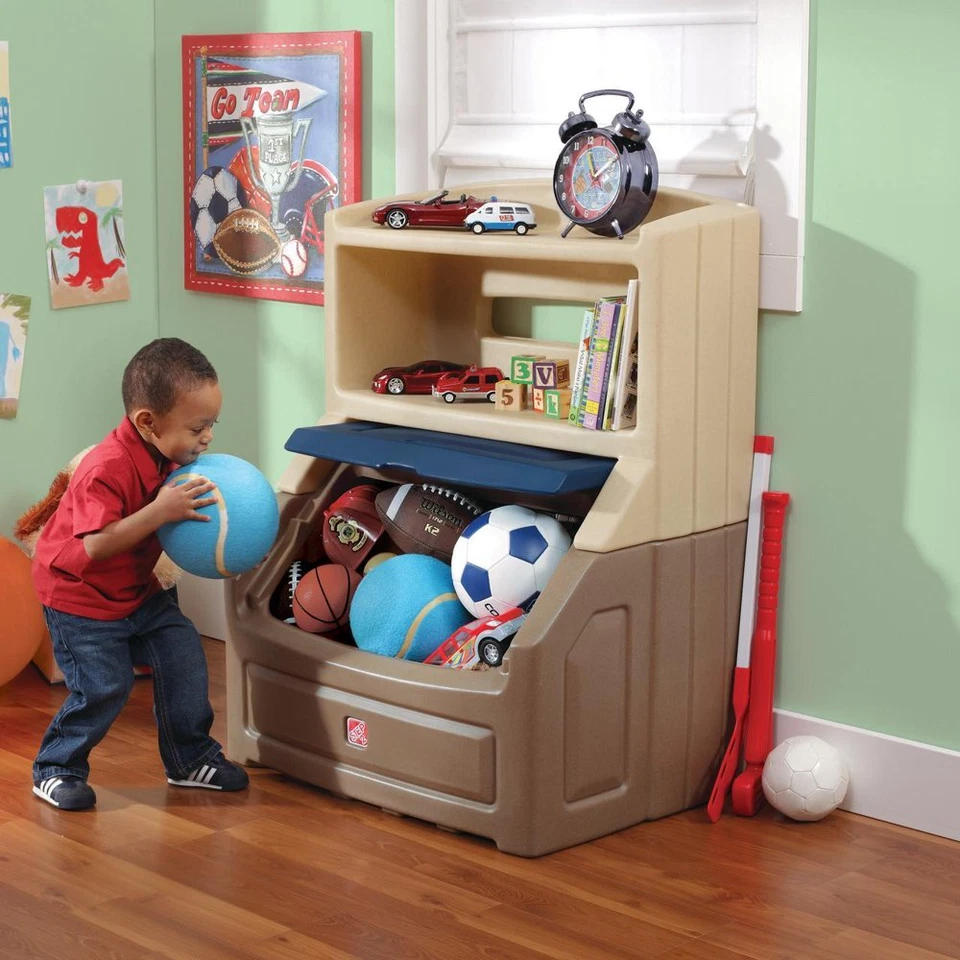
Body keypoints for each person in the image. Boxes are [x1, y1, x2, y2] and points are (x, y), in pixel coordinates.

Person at [31, 337, 249, 810]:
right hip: (79, 598)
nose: (208, 437)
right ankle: (57, 768)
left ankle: (190, 759)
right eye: (198, 427)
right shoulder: (105, 467)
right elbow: (95, 545)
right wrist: (159, 511)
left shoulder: (172, 458)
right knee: (105, 685)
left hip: (136, 592)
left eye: (212, 424)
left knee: (185, 657)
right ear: (147, 422)